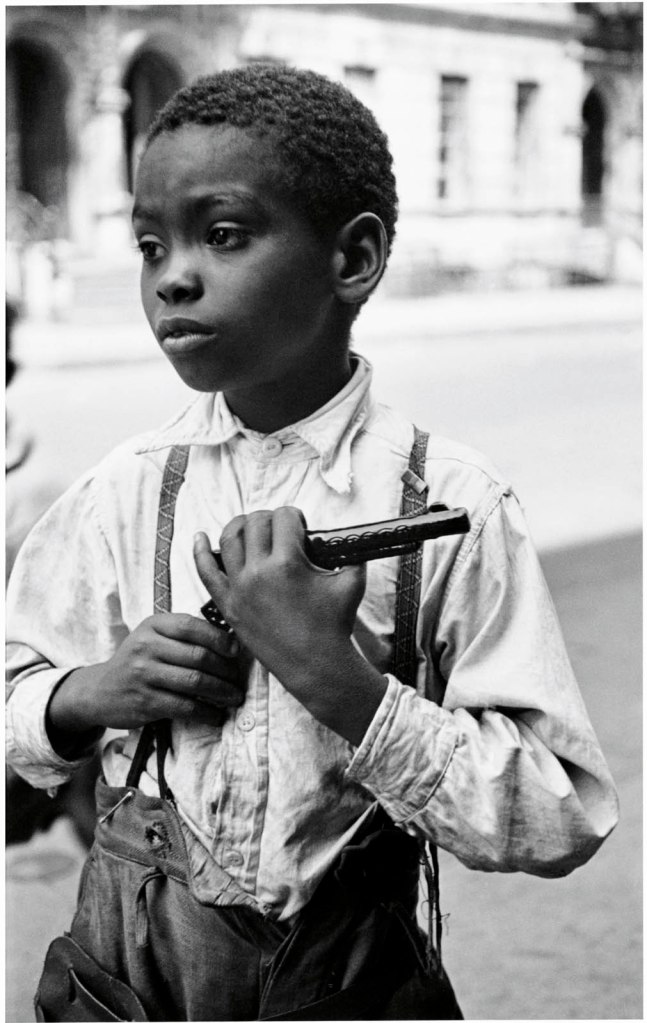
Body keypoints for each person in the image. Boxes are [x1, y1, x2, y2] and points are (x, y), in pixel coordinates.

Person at [6, 64, 618, 1021]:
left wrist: (340, 684)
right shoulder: (119, 495)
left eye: (223, 235)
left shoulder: (451, 504)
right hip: (129, 982)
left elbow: (558, 812)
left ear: (353, 259)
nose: (171, 273)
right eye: (149, 244)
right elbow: (13, 711)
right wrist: (90, 694)